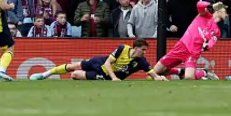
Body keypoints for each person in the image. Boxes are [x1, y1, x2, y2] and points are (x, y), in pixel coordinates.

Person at [152, 1, 225, 80]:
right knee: (155, 72)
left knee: (189, 78)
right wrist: (210, 5)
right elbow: (199, 5)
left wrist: (207, 46)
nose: (226, 14)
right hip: (182, 46)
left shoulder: (217, 31)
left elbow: (212, 42)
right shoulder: (205, 15)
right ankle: (179, 71)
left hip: (193, 53)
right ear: (218, 11)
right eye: (225, 11)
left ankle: (204, 72)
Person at [30, 38, 166, 81]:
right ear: (135, 48)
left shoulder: (141, 61)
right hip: (101, 63)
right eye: (143, 49)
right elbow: (108, 63)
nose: (144, 52)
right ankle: (44, 75)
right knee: (74, 66)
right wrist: (114, 78)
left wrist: (160, 78)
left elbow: (152, 73)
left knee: (75, 75)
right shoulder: (122, 48)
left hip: (104, 75)